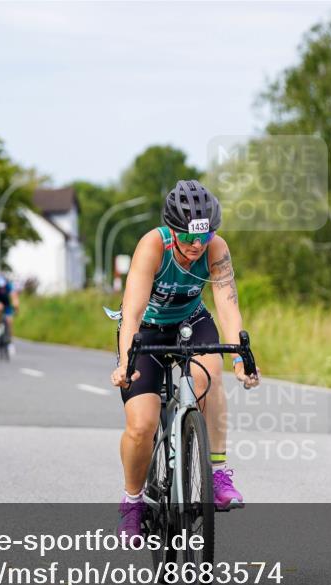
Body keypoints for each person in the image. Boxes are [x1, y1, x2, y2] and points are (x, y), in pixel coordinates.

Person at [109, 180, 260, 545]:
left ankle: (218, 473)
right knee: (141, 425)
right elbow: (132, 312)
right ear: (173, 230)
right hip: (146, 330)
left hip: (191, 322)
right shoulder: (153, 245)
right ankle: (133, 502)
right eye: (189, 237)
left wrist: (241, 359)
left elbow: (228, 307)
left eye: (204, 236)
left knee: (211, 376)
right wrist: (126, 362)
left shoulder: (215, 248)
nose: (197, 245)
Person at [0, 273, 19, 356]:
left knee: (10, 322)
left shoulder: (9, 285)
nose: (2, 288)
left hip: (6, 303)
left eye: (3, 286)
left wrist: (16, 307)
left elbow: (14, 298)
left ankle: (10, 343)